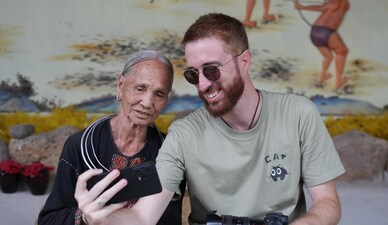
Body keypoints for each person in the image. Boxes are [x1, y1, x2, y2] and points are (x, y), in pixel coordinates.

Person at [99, 13, 345, 225]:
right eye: (193, 74)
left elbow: (327, 202)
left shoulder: (298, 114)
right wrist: (95, 218)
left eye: (211, 69)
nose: (204, 84)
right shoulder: (184, 134)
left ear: (244, 61)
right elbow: (143, 217)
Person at [37, 50, 185, 225]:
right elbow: (49, 220)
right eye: (140, 88)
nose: (147, 102)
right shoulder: (79, 145)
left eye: (159, 94)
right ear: (121, 86)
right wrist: (84, 218)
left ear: (166, 100)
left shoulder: (170, 152)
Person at [294, 0, 350, 89]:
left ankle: (322, 76)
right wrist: (302, 7)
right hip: (325, 31)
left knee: (328, 56)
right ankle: (338, 81)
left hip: (315, 32)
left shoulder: (339, 2)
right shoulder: (339, 2)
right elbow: (324, 7)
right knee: (342, 52)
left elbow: (325, 7)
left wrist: (302, 7)